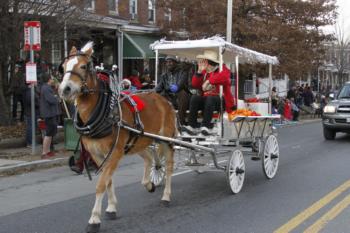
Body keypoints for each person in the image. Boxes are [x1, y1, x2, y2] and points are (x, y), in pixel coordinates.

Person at [183, 50, 235, 135]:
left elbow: (225, 77)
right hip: (207, 101)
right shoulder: (204, 72)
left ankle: (206, 126)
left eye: (204, 61)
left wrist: (208, 81)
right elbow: (195, 85)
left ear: (209, 62)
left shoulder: (222, 69)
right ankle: (192, 125)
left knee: (210, 98)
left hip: (220, 101)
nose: (202, 63)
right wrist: (199, 72)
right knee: (195, 97)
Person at [155, 55, 190, 125]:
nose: (168, 64)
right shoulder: (164, 76)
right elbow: (158, 88)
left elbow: (180, 84)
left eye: (170, 62)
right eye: (167, 62)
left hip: (181, 100)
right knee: (159, 95)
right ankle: (160, 121)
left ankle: (181, 122)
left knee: (182, 93)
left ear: (176, 63)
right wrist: (149, 92)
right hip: (170, 99)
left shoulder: (183, 73)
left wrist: (176, 87)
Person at [40, 73, 60, 158]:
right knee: (48, 133)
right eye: (52, 78)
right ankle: (44, 152)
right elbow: (51, 100)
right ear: (48, 79)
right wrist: (57, 98)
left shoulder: (48, 88)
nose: (53, 80)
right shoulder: (46, 88)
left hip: (51, 113)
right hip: (49, 113)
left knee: (51, 133)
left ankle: (48, 151)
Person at [24, 83, 39, 147]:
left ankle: (31, 142)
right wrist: (38, 103)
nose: (36, 83)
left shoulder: (30, 91)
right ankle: (30, 142)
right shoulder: (29, 92)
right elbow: (31, 102)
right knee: (30, 128)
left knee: (32, 127)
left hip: (31, 112)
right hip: (30, 113)